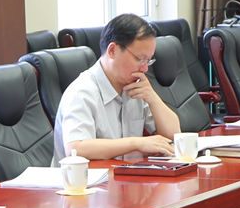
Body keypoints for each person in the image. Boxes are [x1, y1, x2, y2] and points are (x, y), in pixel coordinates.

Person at [52, 12, 181, 160]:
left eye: (148, 61)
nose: (145, 69)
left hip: (126, 173)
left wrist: (153, 98)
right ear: (112, 50)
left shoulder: (136, 87)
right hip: (87, 175)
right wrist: (136, 143)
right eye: (140, 59)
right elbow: (76, 149)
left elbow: (174, 135)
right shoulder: (81, 92)